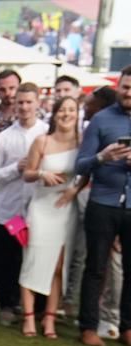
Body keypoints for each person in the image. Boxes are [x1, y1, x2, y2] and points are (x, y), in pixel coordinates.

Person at [73, 64, 131, 346]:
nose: (127, 92)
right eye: (124, 87)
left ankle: (127, 327)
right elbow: (79, 164)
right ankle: (88, 326)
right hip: (103, 202)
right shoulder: (101, 120)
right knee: (95, 267)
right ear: (118, 87)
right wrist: (102, 157)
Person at [0, 83, 48, 325]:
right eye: (20, 102)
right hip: (9, 210)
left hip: (39, 208)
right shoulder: (4, 137)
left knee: (35, 260)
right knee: (7, 260)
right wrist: (15, 169)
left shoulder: (47, 133)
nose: (24, 107)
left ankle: (37, 309)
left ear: (37, 102)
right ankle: (7, 305)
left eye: (29, 102)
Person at [18, 96, 81, 339]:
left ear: (77, 113)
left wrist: (75, 189)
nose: (67, 114)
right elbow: (27, 174)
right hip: (42, 206)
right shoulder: (42, 141)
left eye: (72, 110)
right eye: (62, 110)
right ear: (54, 114)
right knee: (33, 259)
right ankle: (29, 318)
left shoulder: (83, 141)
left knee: (57, 265)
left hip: (66, 207)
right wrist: (42, 173)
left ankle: (50, 320)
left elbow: (87, 173)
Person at [64, 86, 117, 320]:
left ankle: (106, 314)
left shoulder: (103, 127)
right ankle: (74, 306)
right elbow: (83, 165)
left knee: (98, 259)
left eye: (88, 104)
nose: (85, 108)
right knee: (85, 257)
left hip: (101, 200)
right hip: (87, 197)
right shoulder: (93, 127)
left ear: (101, 106)